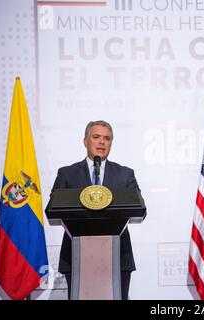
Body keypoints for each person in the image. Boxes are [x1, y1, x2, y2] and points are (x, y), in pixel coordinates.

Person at [52, 120, 142, 299]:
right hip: (76, 254)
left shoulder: (125, 174)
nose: (102, 142)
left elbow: (140, 209)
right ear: (85, 141)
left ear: (111, 144)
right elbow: (54, 209)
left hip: (117, 255)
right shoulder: (67, 174)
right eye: (96, 137)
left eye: (107, 138)